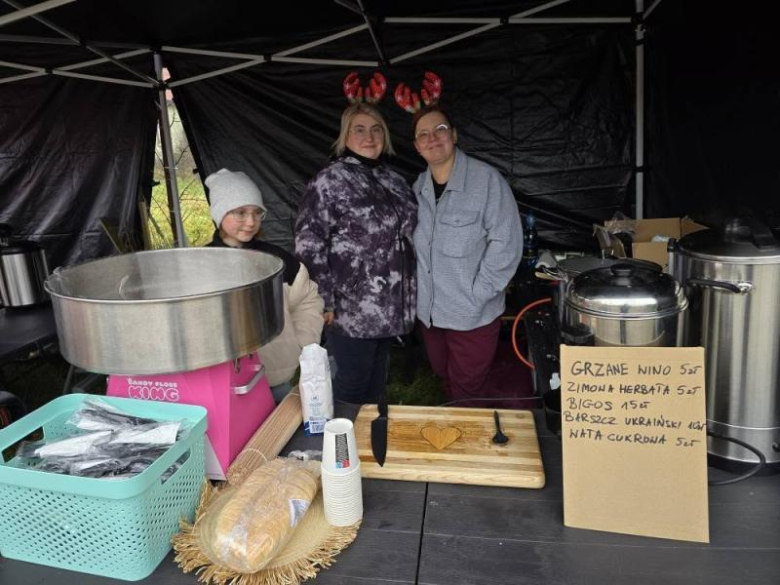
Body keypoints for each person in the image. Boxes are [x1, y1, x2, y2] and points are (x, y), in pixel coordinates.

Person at [295, 102, 417, 404]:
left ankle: (368, 442)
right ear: (345, 136)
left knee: (376, 383)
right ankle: (339, 445)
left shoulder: (394, 180)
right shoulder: (330, 180)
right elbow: (309, 241)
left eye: (376, 129)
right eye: (359, 129)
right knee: (352, 383)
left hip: (391, 305)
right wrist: (324, 298)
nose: (369, 136)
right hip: (352, 307)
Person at [411, 105, 523, 406]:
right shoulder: (417, 188)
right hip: (432, 316)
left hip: (471, 315)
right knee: (443, 379)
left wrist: (478, 294)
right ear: (417, 146)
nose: (432, 138)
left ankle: (467, 444)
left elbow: (507, 243)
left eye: (440, 129)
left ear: (455, 135)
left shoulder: (486, 181)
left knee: (466, 392)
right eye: (423, 134)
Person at [205, 168, 324, 403]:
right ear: (219, 214)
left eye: (257, 213)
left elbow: (308, 300)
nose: (250, 222)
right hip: (226, 386)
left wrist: (303, 343)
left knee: (286, 436)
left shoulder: (278, 261)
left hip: (279, 379)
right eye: (240, 212)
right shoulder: (201, 265)